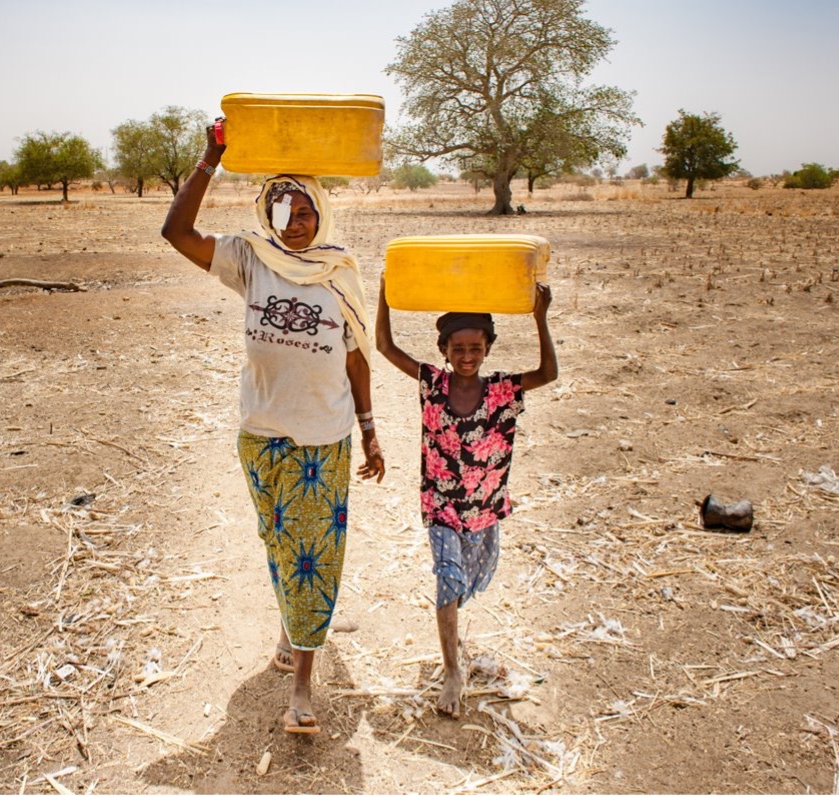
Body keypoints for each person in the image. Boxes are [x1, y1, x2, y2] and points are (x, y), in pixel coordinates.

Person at [161, 125, 385, 735]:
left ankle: (302, 689)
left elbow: (357, 353)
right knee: (280, 542)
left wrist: (369, 428)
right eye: (283, 208)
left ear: (322, 213)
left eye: (305, 209)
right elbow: (176, 233)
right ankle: (292, 626)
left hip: (322, 435)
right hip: (260, 435)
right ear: (268, 210)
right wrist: (210, 158)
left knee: (313, 556)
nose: (294, 221)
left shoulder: (340, 272)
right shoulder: (250, 259)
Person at [375, 276, 557, 717]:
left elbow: (549, 373)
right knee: (448, 579)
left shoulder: (502, 391)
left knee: (470, 582)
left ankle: (453, 638)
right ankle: (452, 670)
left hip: (484, 508)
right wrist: (386, 290)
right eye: (458, 349)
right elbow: (384, 345)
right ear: (443, 350)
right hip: (440, 505)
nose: (467, 356)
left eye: (476, 348)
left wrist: (540, 317)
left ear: (488, 349)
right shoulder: (432, 383)